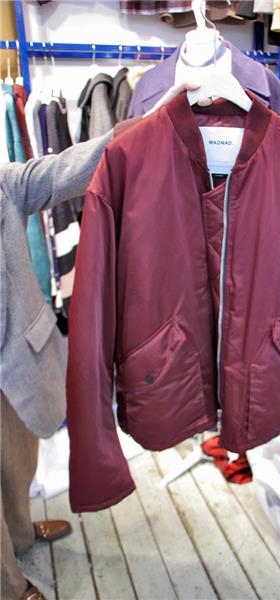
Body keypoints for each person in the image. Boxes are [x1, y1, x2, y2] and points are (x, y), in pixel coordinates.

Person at [0, 81, 204, 600]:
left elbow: (58, 172)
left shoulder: (2, 184)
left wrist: (143, 126)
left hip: (15, 358)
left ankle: (20, 534)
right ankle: (9, 584)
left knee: (16, 461)